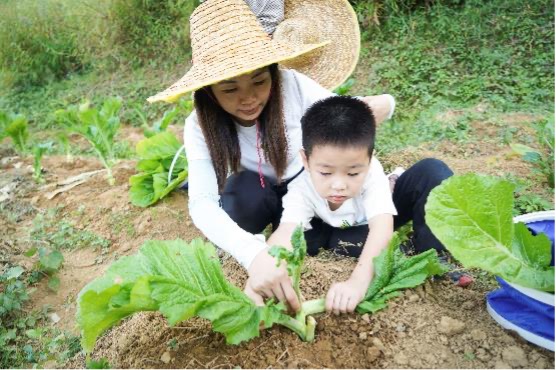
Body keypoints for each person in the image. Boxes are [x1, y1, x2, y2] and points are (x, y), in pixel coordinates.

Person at [147, 0, 400, 312]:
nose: (249, 98)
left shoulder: (292, 86)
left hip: (302, 190)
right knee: (240, 201)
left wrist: (385, 103)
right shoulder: (199, 126)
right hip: (261, 192)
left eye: (259, 81)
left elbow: (342, 112)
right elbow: (201, 203)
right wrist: (252, 255)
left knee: (333, 237)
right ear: (209, 91)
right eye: (230, 89)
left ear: (272, 74)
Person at [270, 95, 454, 315]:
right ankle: (389, 249)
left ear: (369, 158)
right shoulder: (302, 186)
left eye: (353, 172)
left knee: (433, 171)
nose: (339, 185)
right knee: (315, 242)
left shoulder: (373, 173)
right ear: (306, 160)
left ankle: (432, 255)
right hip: (333, 229)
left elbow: (382, 226)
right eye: (326, 173)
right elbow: (287, 231)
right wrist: (267, 267)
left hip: (372, 219)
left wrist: (357, 282)